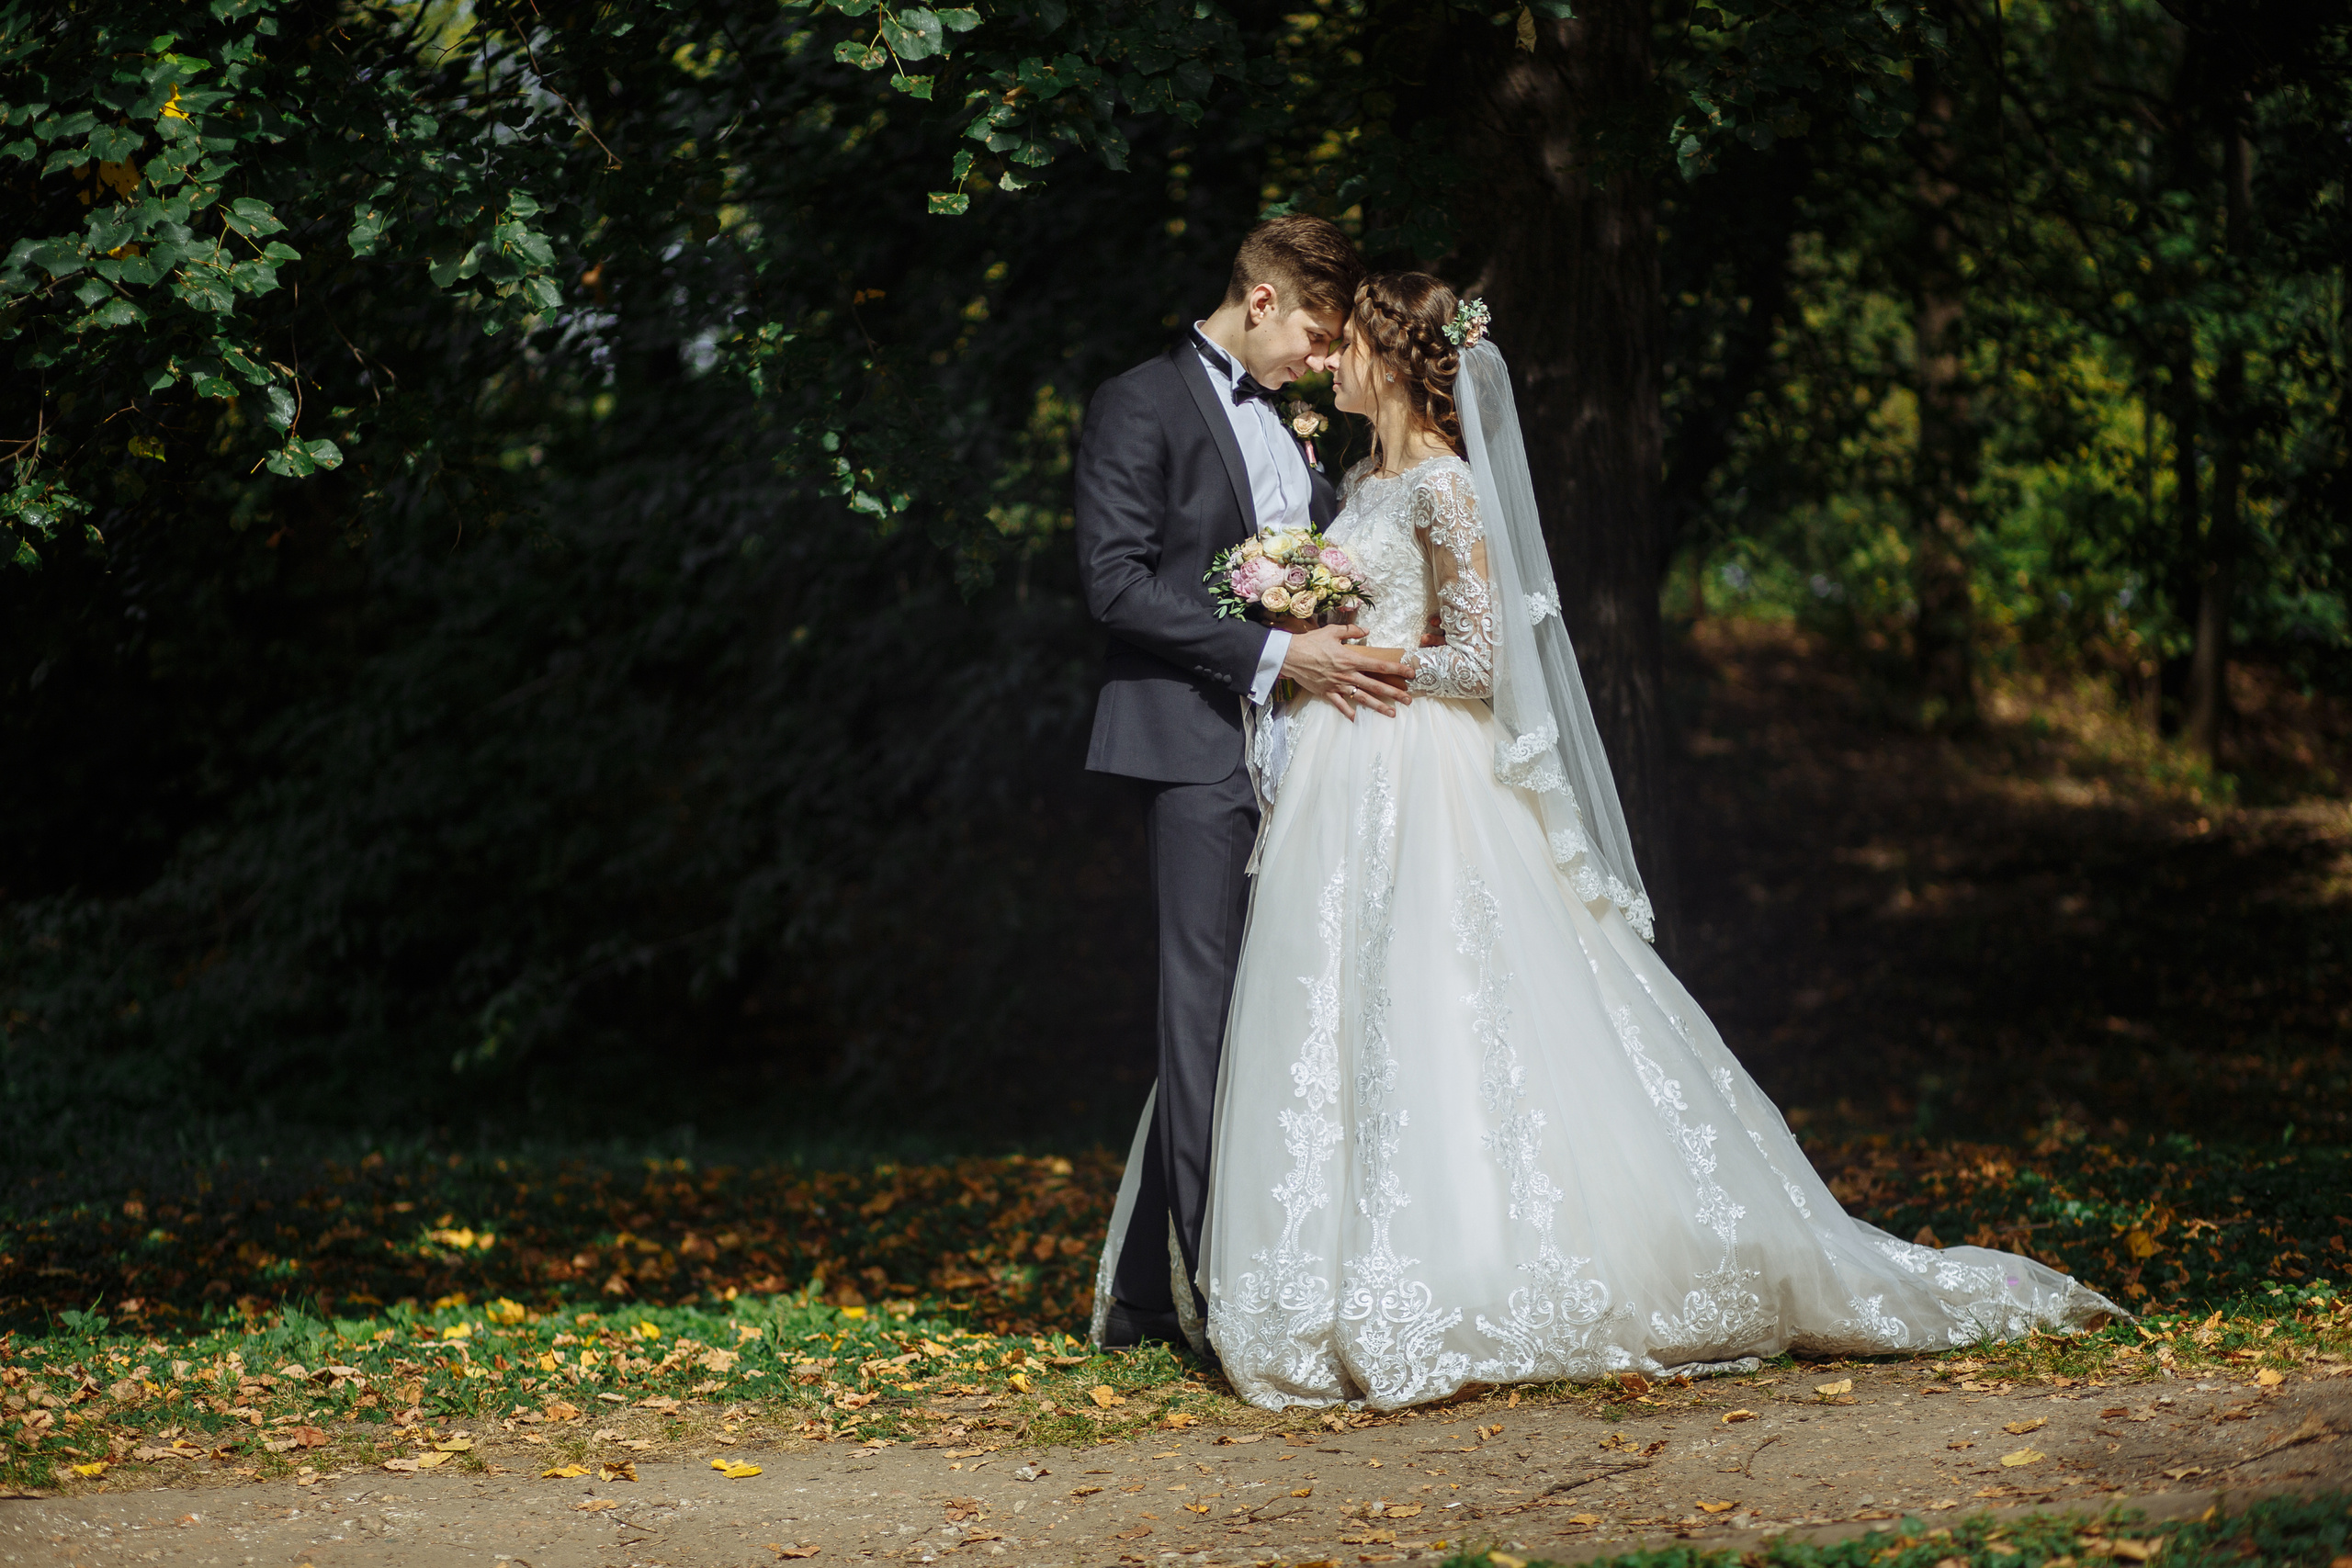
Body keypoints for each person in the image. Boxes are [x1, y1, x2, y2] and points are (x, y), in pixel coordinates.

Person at [1136, 270, 2126, 1409]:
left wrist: (1375, 659)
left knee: (1446, 1000)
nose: (1332, 362)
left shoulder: (1449, 487)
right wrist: (1320, 621)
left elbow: (1485, 660)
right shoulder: (1361, 475)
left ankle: (1488, 1263)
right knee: (1345, 1010)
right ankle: (1336, 1264)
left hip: (1421, 768)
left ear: (1397, 361)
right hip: (1346, 774)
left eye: (1348, 343)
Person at [1074, 218, 1414, 1353]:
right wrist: (1279, 656)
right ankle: (1225, 1303)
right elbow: (1117, 585)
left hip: (1301, 754)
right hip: (1190, 745)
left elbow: (1313, 556)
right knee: (1203, 1011)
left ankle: (1139, 1297)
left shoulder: (1298, 421)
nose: (1322, 361)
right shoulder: (1138, 402)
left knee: (1268, 1013)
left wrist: (1339, 626)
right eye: (1315, 333)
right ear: (1261, 301)